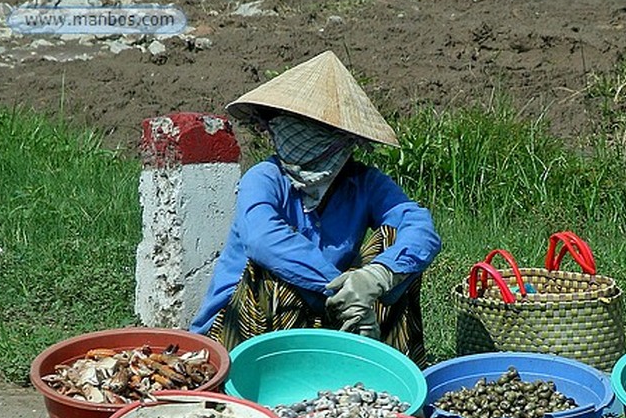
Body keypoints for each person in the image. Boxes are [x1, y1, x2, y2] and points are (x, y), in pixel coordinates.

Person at [189, 50, 442, 366]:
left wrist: (375, 278)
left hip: (327, 313)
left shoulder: (363, 182)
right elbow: (262, 238)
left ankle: (386, 366)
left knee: (398, 247)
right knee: (271, 267)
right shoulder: (265, 178)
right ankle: (273, 378)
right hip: (241, 330)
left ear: (341, 140)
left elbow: (418, 225)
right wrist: (342, 290)